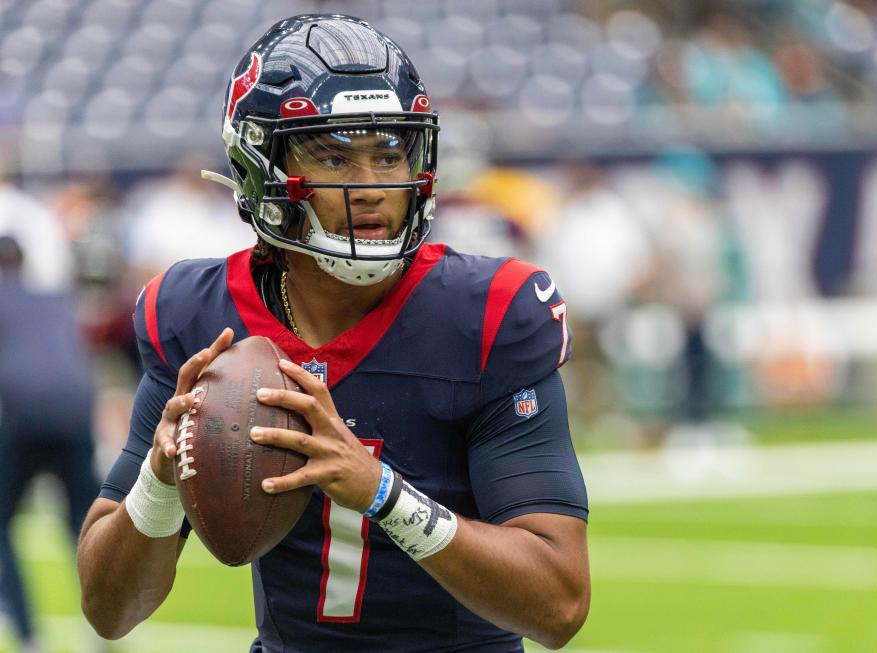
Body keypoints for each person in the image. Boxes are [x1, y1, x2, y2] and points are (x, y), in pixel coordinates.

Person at [77, 14, 590, 653]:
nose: (372, 189)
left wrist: (381, 491)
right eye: (334, 156)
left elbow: (560, 605)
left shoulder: (488, 313)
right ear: (261, 165)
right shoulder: (199, 318)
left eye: (389, 154)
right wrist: (159, 482)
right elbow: (107, 610)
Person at [0, 236, 100, 653]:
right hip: (76, 411)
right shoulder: (53, 299)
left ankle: (27, 636)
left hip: (18, 413)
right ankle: (102, 626)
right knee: (84, 522)